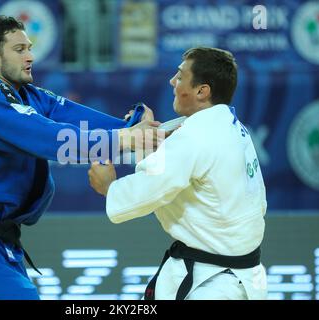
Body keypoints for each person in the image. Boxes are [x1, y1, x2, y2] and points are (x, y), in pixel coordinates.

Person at [0, 15, 163, 300]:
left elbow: (77, 119)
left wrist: (136, 125)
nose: (30, 56)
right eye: (19, 50)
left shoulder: (27, 95)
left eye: (29, 48)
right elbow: (56, 141)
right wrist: (129, 137)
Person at [88, 47, 268, 300]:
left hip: (215, 284)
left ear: (202, 91)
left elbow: (150, 189)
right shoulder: (228, 125)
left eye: (181, 76)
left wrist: (109, 187)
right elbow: (172, 165)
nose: (172, 81)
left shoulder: (196, 137)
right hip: (233, 274)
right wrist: (148, 134)